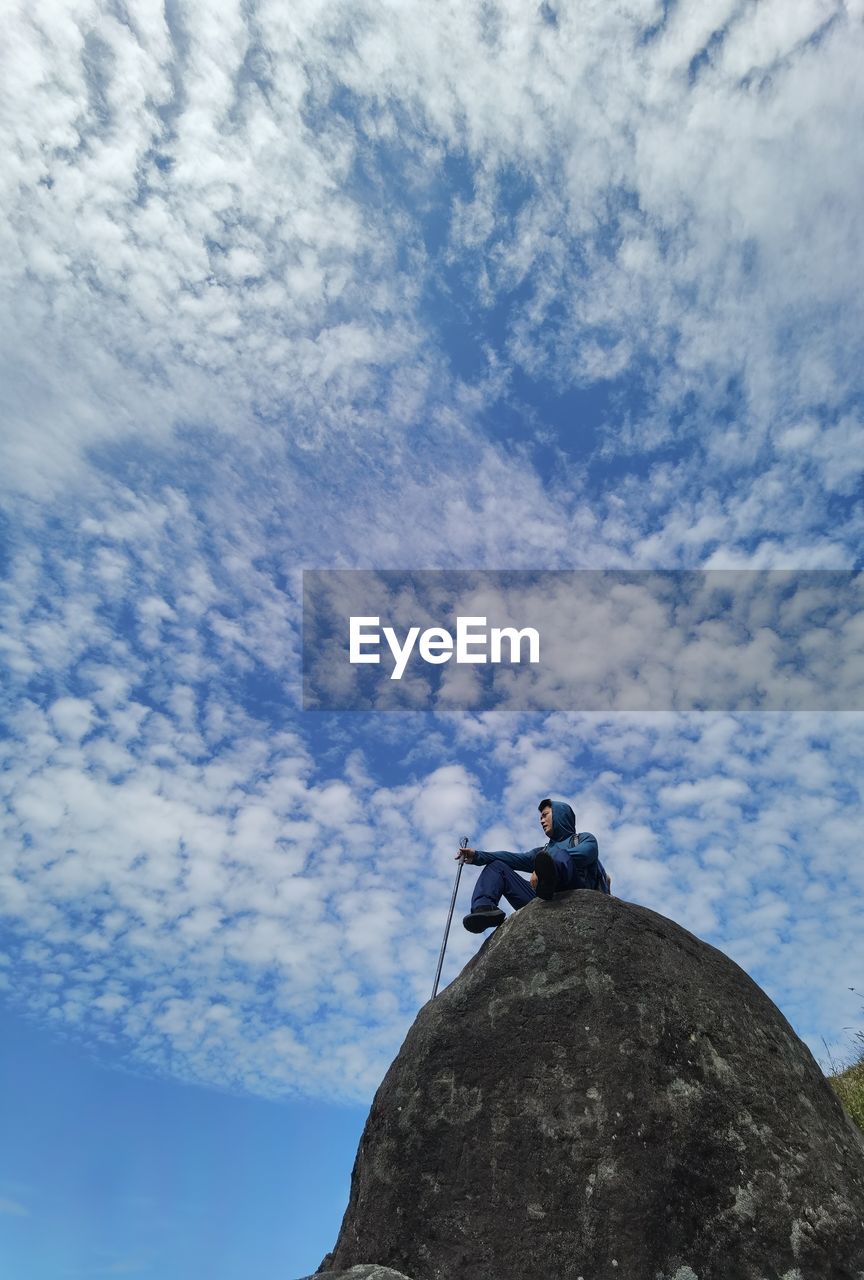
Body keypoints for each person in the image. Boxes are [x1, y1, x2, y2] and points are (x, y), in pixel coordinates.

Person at [458, 797, 609, 933]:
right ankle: (484, 909)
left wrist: (549, 863)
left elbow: (587, 853)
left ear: (559, 814)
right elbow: (513, 858)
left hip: (574, 895)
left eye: (545, 815)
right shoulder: (542, 851)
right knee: (497, 866)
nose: (541, 821)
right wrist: (477, 856)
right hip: (544, 902)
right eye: (540, 817)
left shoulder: (583, 839)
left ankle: (549, 880)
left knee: (561, 855)